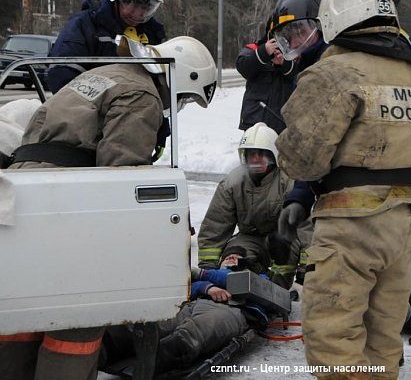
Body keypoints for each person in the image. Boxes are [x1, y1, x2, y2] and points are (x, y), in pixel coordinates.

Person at [275, 0, 411, 378]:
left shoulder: (333, 74)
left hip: (350, 222)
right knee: (383, 337)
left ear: (333, 18)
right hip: (405, 228)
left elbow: (301, 159)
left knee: (335, 334)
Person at [0, 35, 217, 380]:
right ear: (183, 77)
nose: (179, 105)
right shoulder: (142, 96)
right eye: (186, 98)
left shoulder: (104, 73)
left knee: (23, 317)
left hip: (24, 196)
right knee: (75, 324)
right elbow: (122, 182)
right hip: (68, 209)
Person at [101, 246, 272, 375]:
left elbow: (250, 286)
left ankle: (153, 363)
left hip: (231, 310)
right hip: (191, 304)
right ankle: (104, 347)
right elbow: (187, 288)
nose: (231, 258)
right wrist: (207, 288)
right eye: (227, 256)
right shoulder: (210, 275)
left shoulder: (256, 278)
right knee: (152, 325)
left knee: (193, 332)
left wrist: (204, 276)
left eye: (236, 257)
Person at [197, 122, 311, 290]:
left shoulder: (289, 182)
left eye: (261, 154)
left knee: (282, 247)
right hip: (249, 238)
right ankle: (239, 287)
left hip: (284, 238)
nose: (255, 159)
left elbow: (305, 229)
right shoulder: (232, 184)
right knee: (234, 256)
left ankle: (275, 292)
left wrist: (306, 268)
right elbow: (215, 225)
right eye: (251, 154)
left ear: (274, 156)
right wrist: (208, 267)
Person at [47, 0, 166, 94]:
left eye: (146, 8)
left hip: (143, 107)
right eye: (133, 5)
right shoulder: (85, 26)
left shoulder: (153, 34)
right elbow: (61, 76)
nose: (138, 14)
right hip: (95, 108)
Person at [236, 16, 297, 134]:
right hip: (255, 122)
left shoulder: (296, 51)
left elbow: (301, 75)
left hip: (282, 124)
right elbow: (242, 66)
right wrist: (264, 52)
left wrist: (284, 64)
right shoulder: (255, 48)